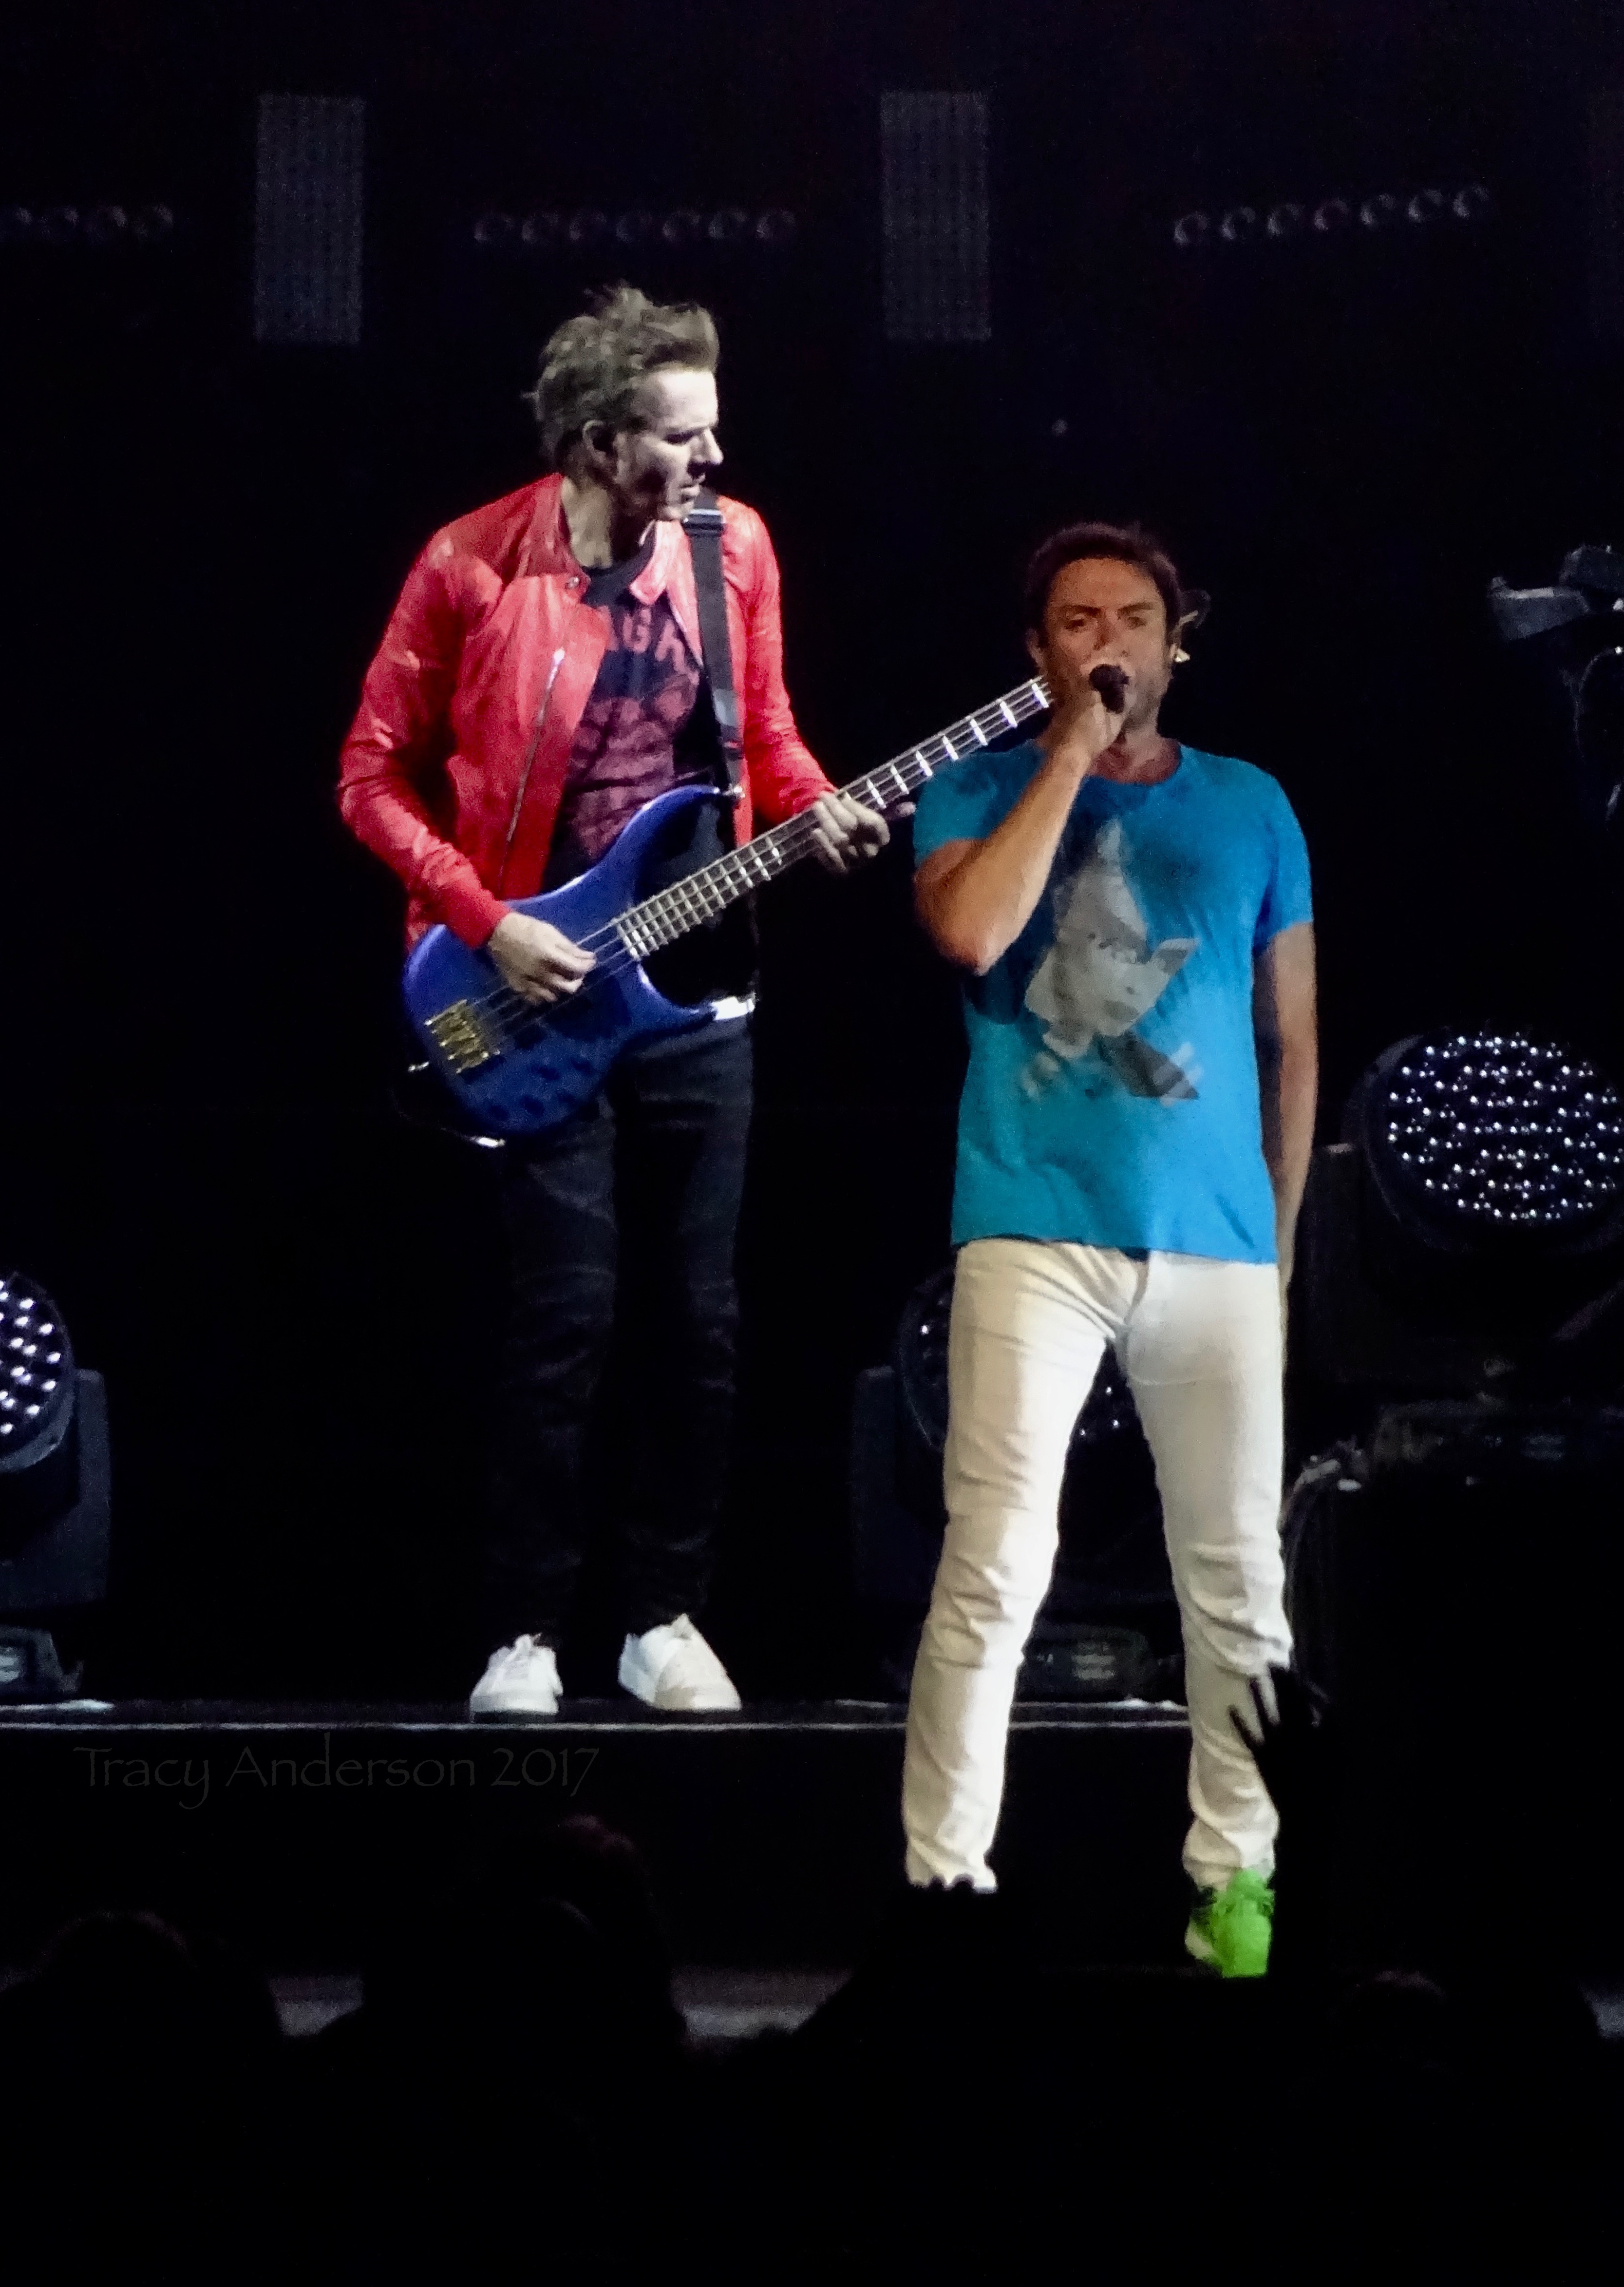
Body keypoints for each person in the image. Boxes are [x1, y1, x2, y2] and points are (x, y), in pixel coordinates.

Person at [339, 286, 886, 1717]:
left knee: (699, 1323)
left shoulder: (733, 547)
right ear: (596, 444)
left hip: (700, 984)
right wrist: (490, 923)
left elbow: (767, 737)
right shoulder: (471, 565)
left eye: (714, 429)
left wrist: (819, 809)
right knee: (564, 1321)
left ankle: (663, 1614)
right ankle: (523, 1631)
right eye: (682, 436)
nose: (715, 457)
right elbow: (368, 777)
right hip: (534, 987)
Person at [900, 521, 1317, 1974]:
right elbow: (971, 934)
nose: (1107, 643)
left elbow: (1291, 1040)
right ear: (1038, 653)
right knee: (996, 1566)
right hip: (1033, 1226)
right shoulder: (972, 789)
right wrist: (1070, 752)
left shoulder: (1252, 803)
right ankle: (945, 1892)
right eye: (1076, 622)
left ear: (1174, 642)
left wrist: (1279, 1247)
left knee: (1238, 1582)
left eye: (1134, 618)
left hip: (1218, 1248)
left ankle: (1235, 1888)